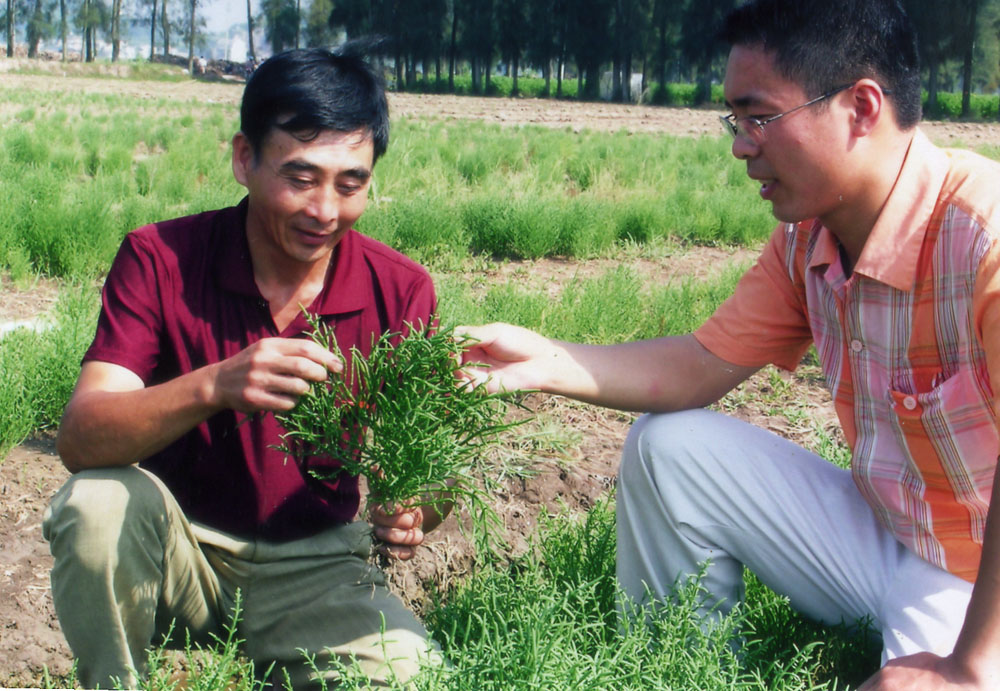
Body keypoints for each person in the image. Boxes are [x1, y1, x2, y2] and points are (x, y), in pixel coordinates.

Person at [459, 1, 1000, 688]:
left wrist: (970, 664)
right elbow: (699, 365)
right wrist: (547, 359)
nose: (742, 145)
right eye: (734, 121)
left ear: (861, 107)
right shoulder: (810, 238)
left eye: (759, 117)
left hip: (978, 578)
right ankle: (680, 668)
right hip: (887, 531)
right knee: (668, 451)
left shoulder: (982, 232)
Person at [44, 46, 444, 689]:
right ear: (243, 159)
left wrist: (414, 511)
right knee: (93, 506)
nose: (324, 210)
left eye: (351, 183)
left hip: (318, 568)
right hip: (177, 555)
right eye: (300, 176)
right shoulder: (161, 259)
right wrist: (216, 384)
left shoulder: (399, 289)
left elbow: (432, 473)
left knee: (413, 676)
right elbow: (82, 437)